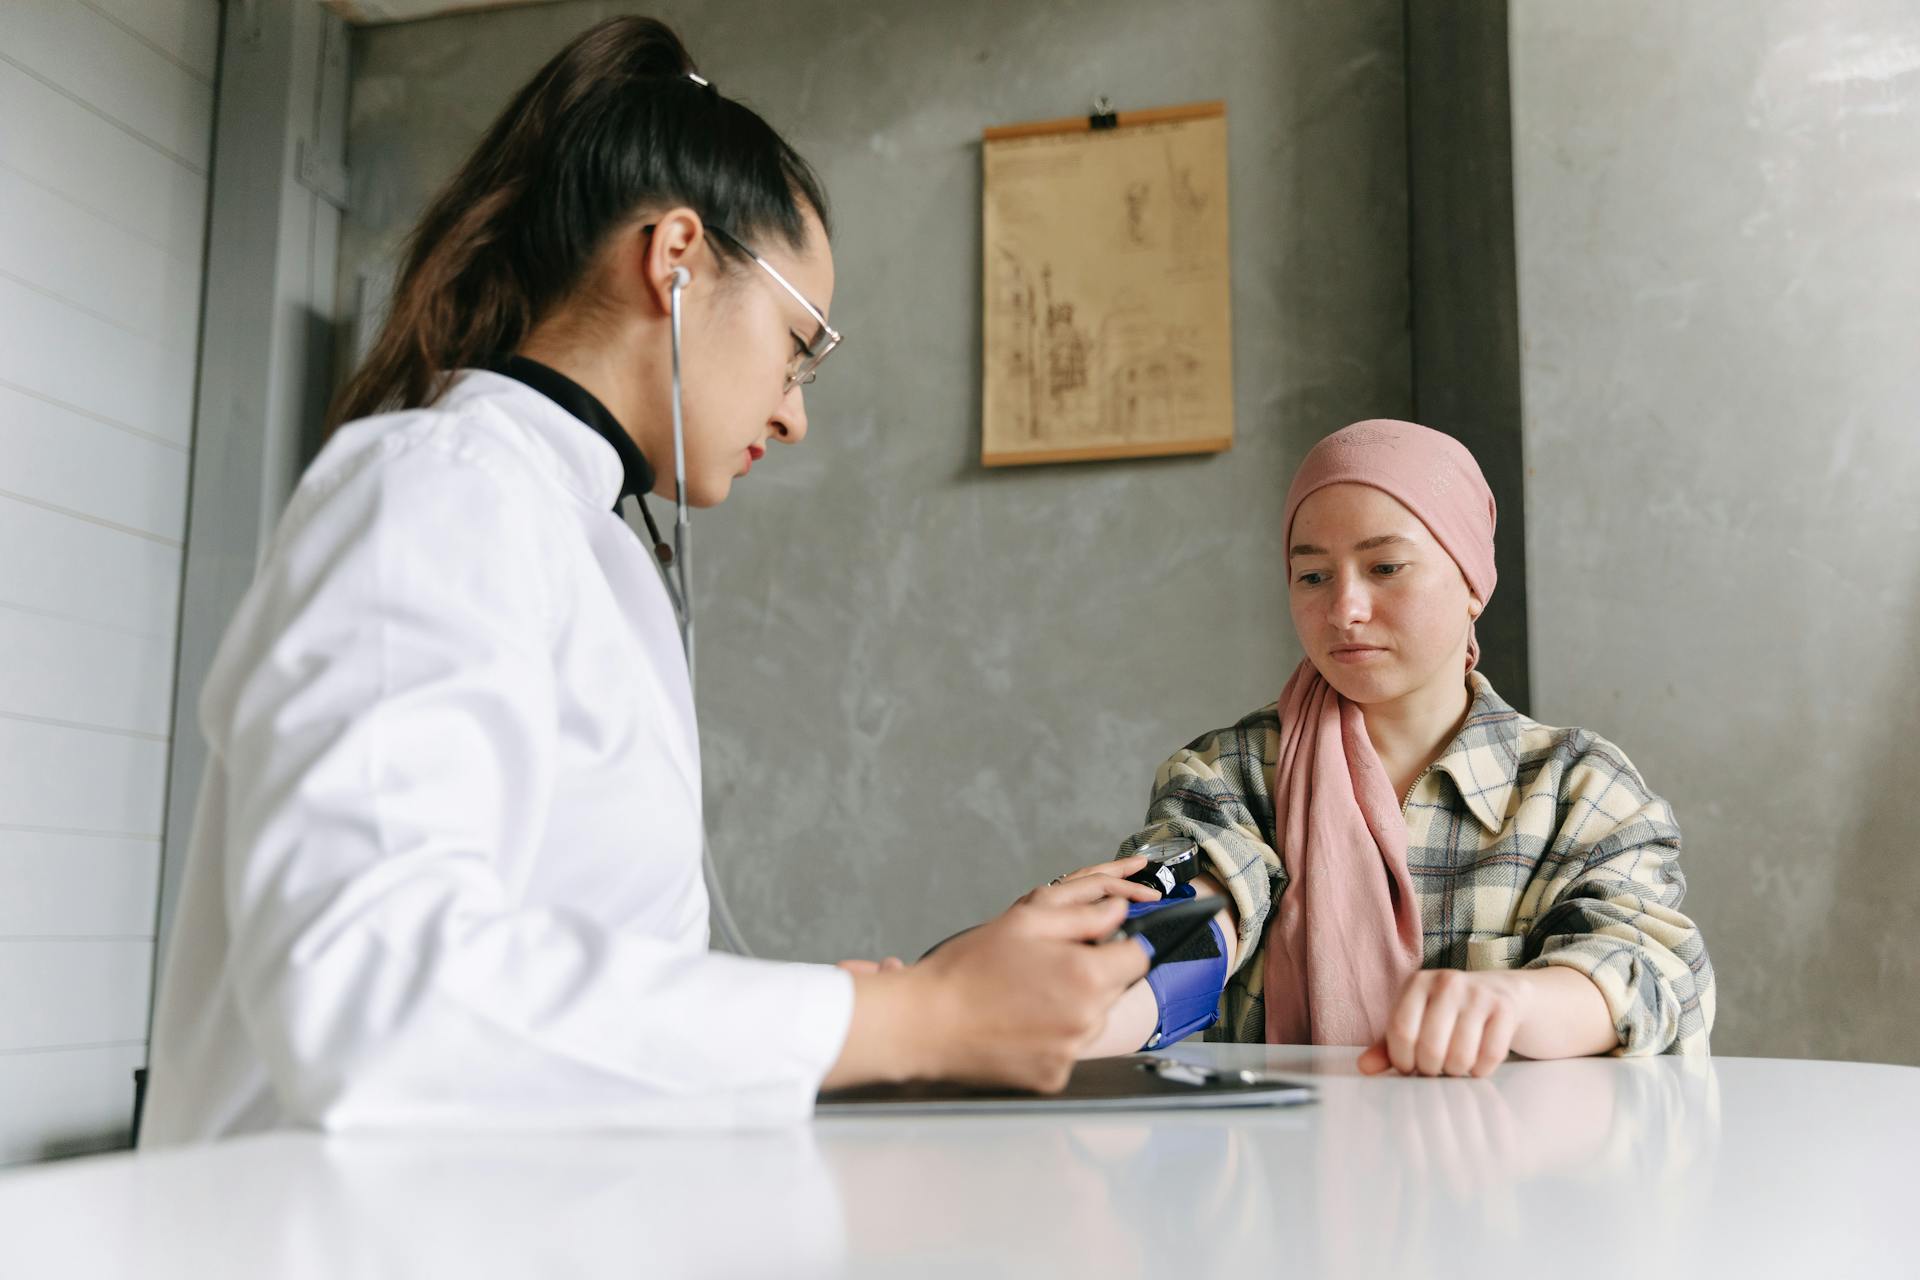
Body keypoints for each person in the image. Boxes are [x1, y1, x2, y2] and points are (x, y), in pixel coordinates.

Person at [140, 16, 1147, 1144]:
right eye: (799, 342)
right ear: (674, 257)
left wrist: (937, 998)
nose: (795, 411)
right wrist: (907, 1016)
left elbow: (588, 1011)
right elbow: (375, 997)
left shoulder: (593, 539)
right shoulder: (440, 488)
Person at [1055, 419, 1716, 1075]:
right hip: (1280, 1166)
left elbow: (1651, 972)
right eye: (1312, 576)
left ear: (1471, 581)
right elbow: (1195, 907)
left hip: (1504, 1169)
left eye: (1385, 567)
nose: (1345, 608)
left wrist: (1515, 1001)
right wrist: (1083, 1011)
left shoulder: (1579, 789)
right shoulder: (1230, 773)